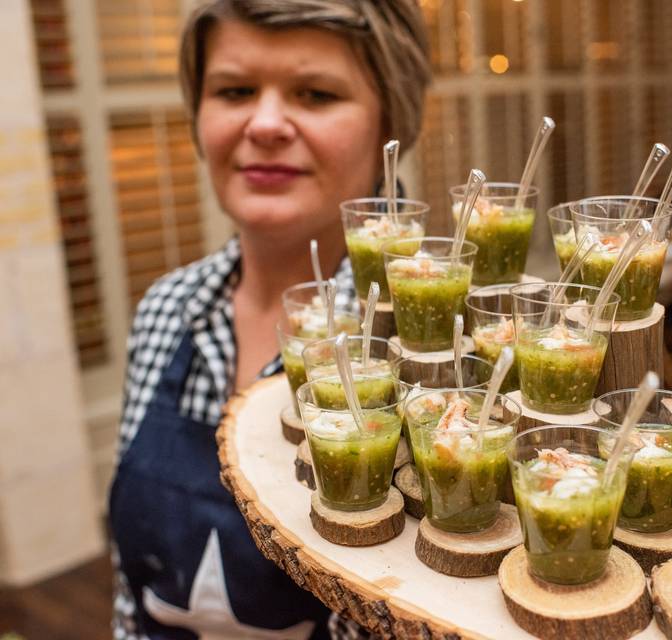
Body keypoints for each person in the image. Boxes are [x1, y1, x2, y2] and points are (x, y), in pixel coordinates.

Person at [107, 2, 431, 638]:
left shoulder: (440, 350)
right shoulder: (167, 309)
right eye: (234, 90)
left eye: (315, 93)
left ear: (391, 124)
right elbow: (130, 591)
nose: (265, 123)